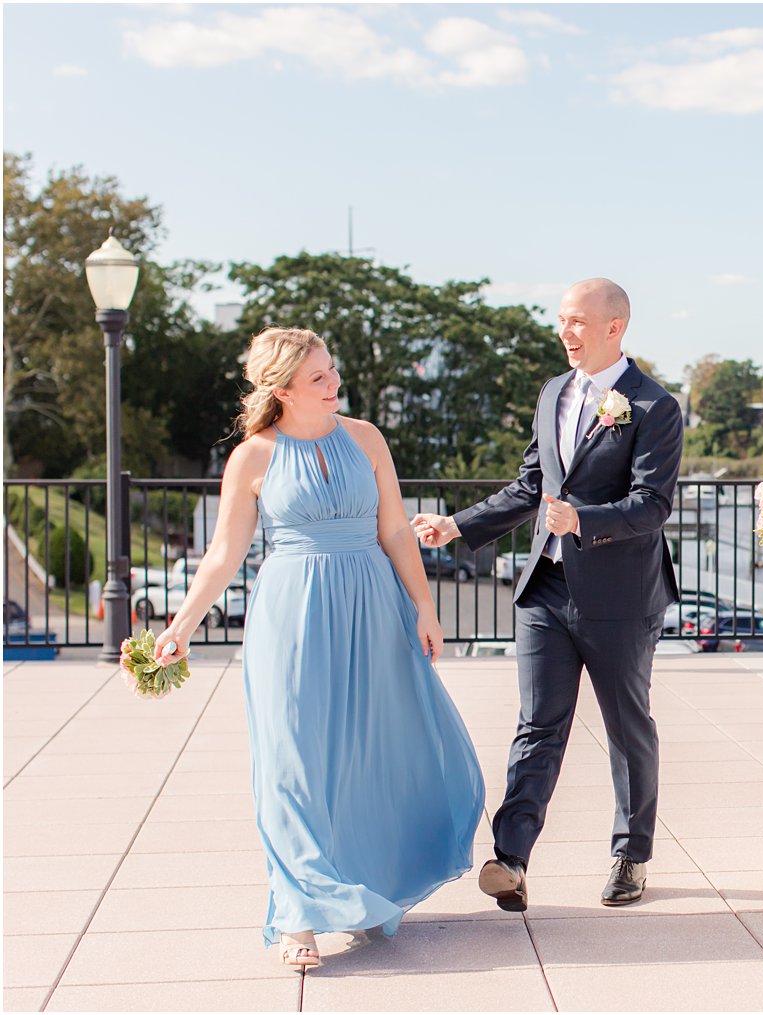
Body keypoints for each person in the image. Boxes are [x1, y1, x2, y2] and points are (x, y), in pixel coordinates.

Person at [153, 327, 484, 969]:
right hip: (292, 614)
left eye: (333, 372)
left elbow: (393, 528)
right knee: (292, 760)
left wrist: (424, 605)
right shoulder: (253, 456)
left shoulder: (367, 438)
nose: (335, 385)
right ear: (281, 391)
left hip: (373, 606)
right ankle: (298, 912)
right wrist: (181, 626)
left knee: (373, 753)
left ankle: (366, 889)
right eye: (319, 379)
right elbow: (224, 553)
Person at [411, 278, 682, 912]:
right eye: (562, 320)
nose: (566, 332)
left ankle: (631, 854)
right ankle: (511, 858)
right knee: (538, 725)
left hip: (620, 595)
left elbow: (652, 505)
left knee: (626, 728)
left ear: (614, 327)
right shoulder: (553, 394)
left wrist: (583, 521)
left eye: (578, 322)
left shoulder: (653, 406)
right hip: (545, 590)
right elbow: (532, 483)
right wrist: (457, 526)